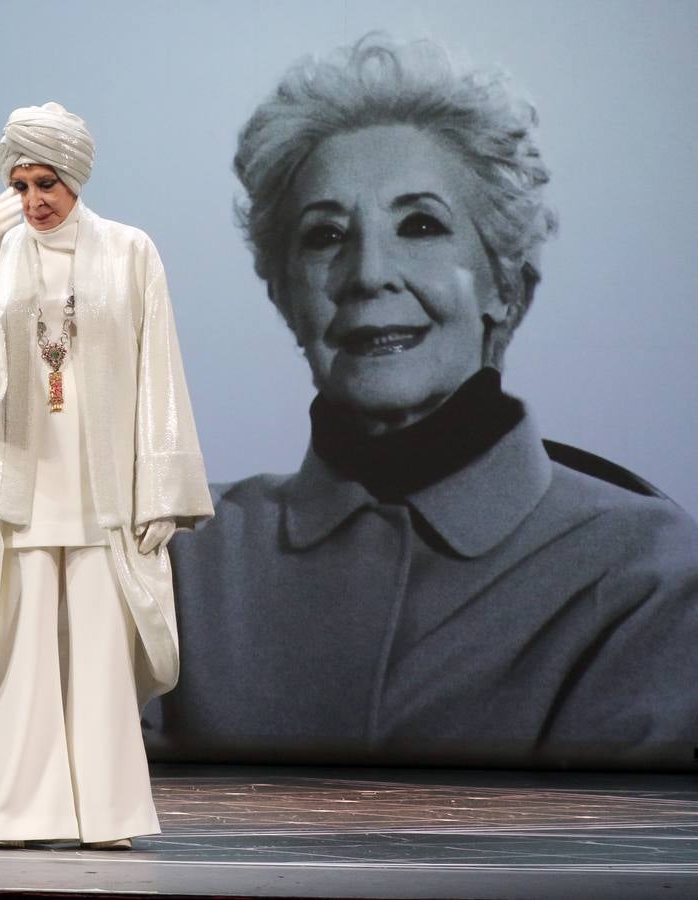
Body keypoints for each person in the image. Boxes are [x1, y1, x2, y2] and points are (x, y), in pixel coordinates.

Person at [154, 37, 698, 769]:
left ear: (507, 287)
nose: (369, 273)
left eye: (420, 226)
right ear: (284, 296)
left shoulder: (649, 573)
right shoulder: (174, 557)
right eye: (324, 237)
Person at [0, 102, 213, 847]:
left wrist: (163, 488)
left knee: (100, 654)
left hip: (102, 485)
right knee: (24, 659)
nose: (33, 200)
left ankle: (106, 817)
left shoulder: (129, 251)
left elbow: (161, 372)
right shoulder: (3, 256)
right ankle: (24, 814)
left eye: (45, 181)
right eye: (20, 184)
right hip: (20, 483)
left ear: (74, 177)